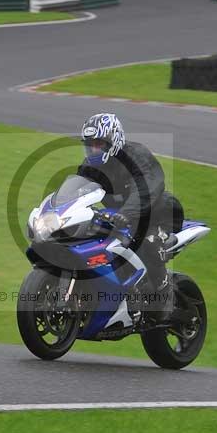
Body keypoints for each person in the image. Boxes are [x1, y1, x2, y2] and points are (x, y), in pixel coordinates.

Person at [75, 113, 183, 320]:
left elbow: (146, 188)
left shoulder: (136, 156)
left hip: (158, 214)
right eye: (89, 146)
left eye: (99, 144)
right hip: (120, 217)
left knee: (147, 242)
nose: (93, 150)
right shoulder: (90, 166)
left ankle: (165, 294)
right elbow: (78, 190)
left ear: (113, 140)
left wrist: (126, 213)